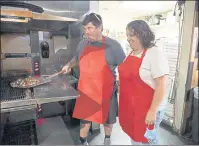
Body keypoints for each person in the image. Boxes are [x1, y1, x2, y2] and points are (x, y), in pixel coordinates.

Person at [62, 13, 126, 145]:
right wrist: (69, 65)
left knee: (108, 119)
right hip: (86, 91)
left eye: (89, 28)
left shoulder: (113, 46)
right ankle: (83, 141)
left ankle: (107, 139)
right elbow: (77, 58)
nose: (86, 32)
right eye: (84, 29)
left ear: (99, 27)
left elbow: (125, 66)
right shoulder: (82, 44)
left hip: (106, 91)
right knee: (85, 119)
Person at [118, 20, 169, 145]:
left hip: (148, 108)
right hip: (132, 107)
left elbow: (161, 84)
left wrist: (152, 111)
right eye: (127, 35)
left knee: (148, 139)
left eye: (132, 35)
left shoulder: (154, 53)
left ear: (142, 34)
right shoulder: (132, 51)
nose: (128, 38)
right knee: (134, 135)